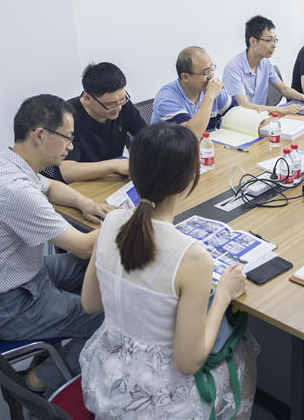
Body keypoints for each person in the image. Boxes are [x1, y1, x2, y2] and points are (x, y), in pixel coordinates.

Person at [79, 122, 258, 419]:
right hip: (158, 402)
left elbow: (90, 303)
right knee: (245, 347)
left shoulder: (110, 223)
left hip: (107, 379)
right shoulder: (191, 256)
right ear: (190, 180)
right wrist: (224, 295)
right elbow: (188, 363)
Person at [0, 94, 113, 395]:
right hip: (7, 304)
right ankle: (34, 383)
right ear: (40, 135)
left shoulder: (3, 162)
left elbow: (50, 186)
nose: (70, 146)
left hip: (18, 275)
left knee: (93, 269)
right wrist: (136, 215)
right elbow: (84, 246)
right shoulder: (14, 191)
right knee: (111, 317)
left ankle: (56, 342)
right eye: (67, 137)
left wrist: (85, 203)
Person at [54, 62, 145, 183]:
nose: (118, 108)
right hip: (81, 183)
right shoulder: (67, 117)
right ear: (87, 98)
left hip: (113, 179)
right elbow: (68, 172)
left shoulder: (122, 105)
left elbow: (146, 135)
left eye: (122, 100)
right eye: (110, 105)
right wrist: (114, 165)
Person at [223, 15, 304, 115]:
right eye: (269, 40)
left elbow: (283, 89)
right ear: (253, 41)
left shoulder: (265, 63)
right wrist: (280, 109)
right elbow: (244, 106)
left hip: (260, 118)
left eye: (275, 40)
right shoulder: (233, 68)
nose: (274, 45)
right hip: (238, 120)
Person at [151, 46, 234, 139]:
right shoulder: (166, 99)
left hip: (210, 145)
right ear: (185, 77)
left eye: (212, 69)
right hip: (176, 147)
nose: (211, 76)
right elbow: (191, 136)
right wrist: (210, 96)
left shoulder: (210, 88)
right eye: (206, 72)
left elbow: (237, 112)